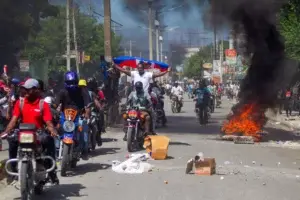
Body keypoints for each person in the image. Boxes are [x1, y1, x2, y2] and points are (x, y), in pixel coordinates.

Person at [1, 78, 59, 184]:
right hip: (23, 132)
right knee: (12, 140)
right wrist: (6, 131)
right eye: (24, 89)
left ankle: (52, 170)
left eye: (28, 89)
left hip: (38, 133)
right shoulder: (20, 102)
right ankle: (13, 170)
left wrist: (53, 130)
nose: (25, 91)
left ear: (36, 90)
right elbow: (13, 120)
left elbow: (48, 122)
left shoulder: (43, 104)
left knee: (49, 140)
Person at [56, 71, 91, 160]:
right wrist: (54, 110)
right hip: (65, 116)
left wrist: (87, 113)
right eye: (69, 83)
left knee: (84, 129)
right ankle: (55, 150)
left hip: (78, 115)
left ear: (77, 82)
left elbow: (87, 104)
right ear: (66, 83)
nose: (71, 85)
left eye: (73, 82)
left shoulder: (82, 91)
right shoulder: (62, 92)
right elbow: (56, 104)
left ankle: (84, 150)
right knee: (55, 130)